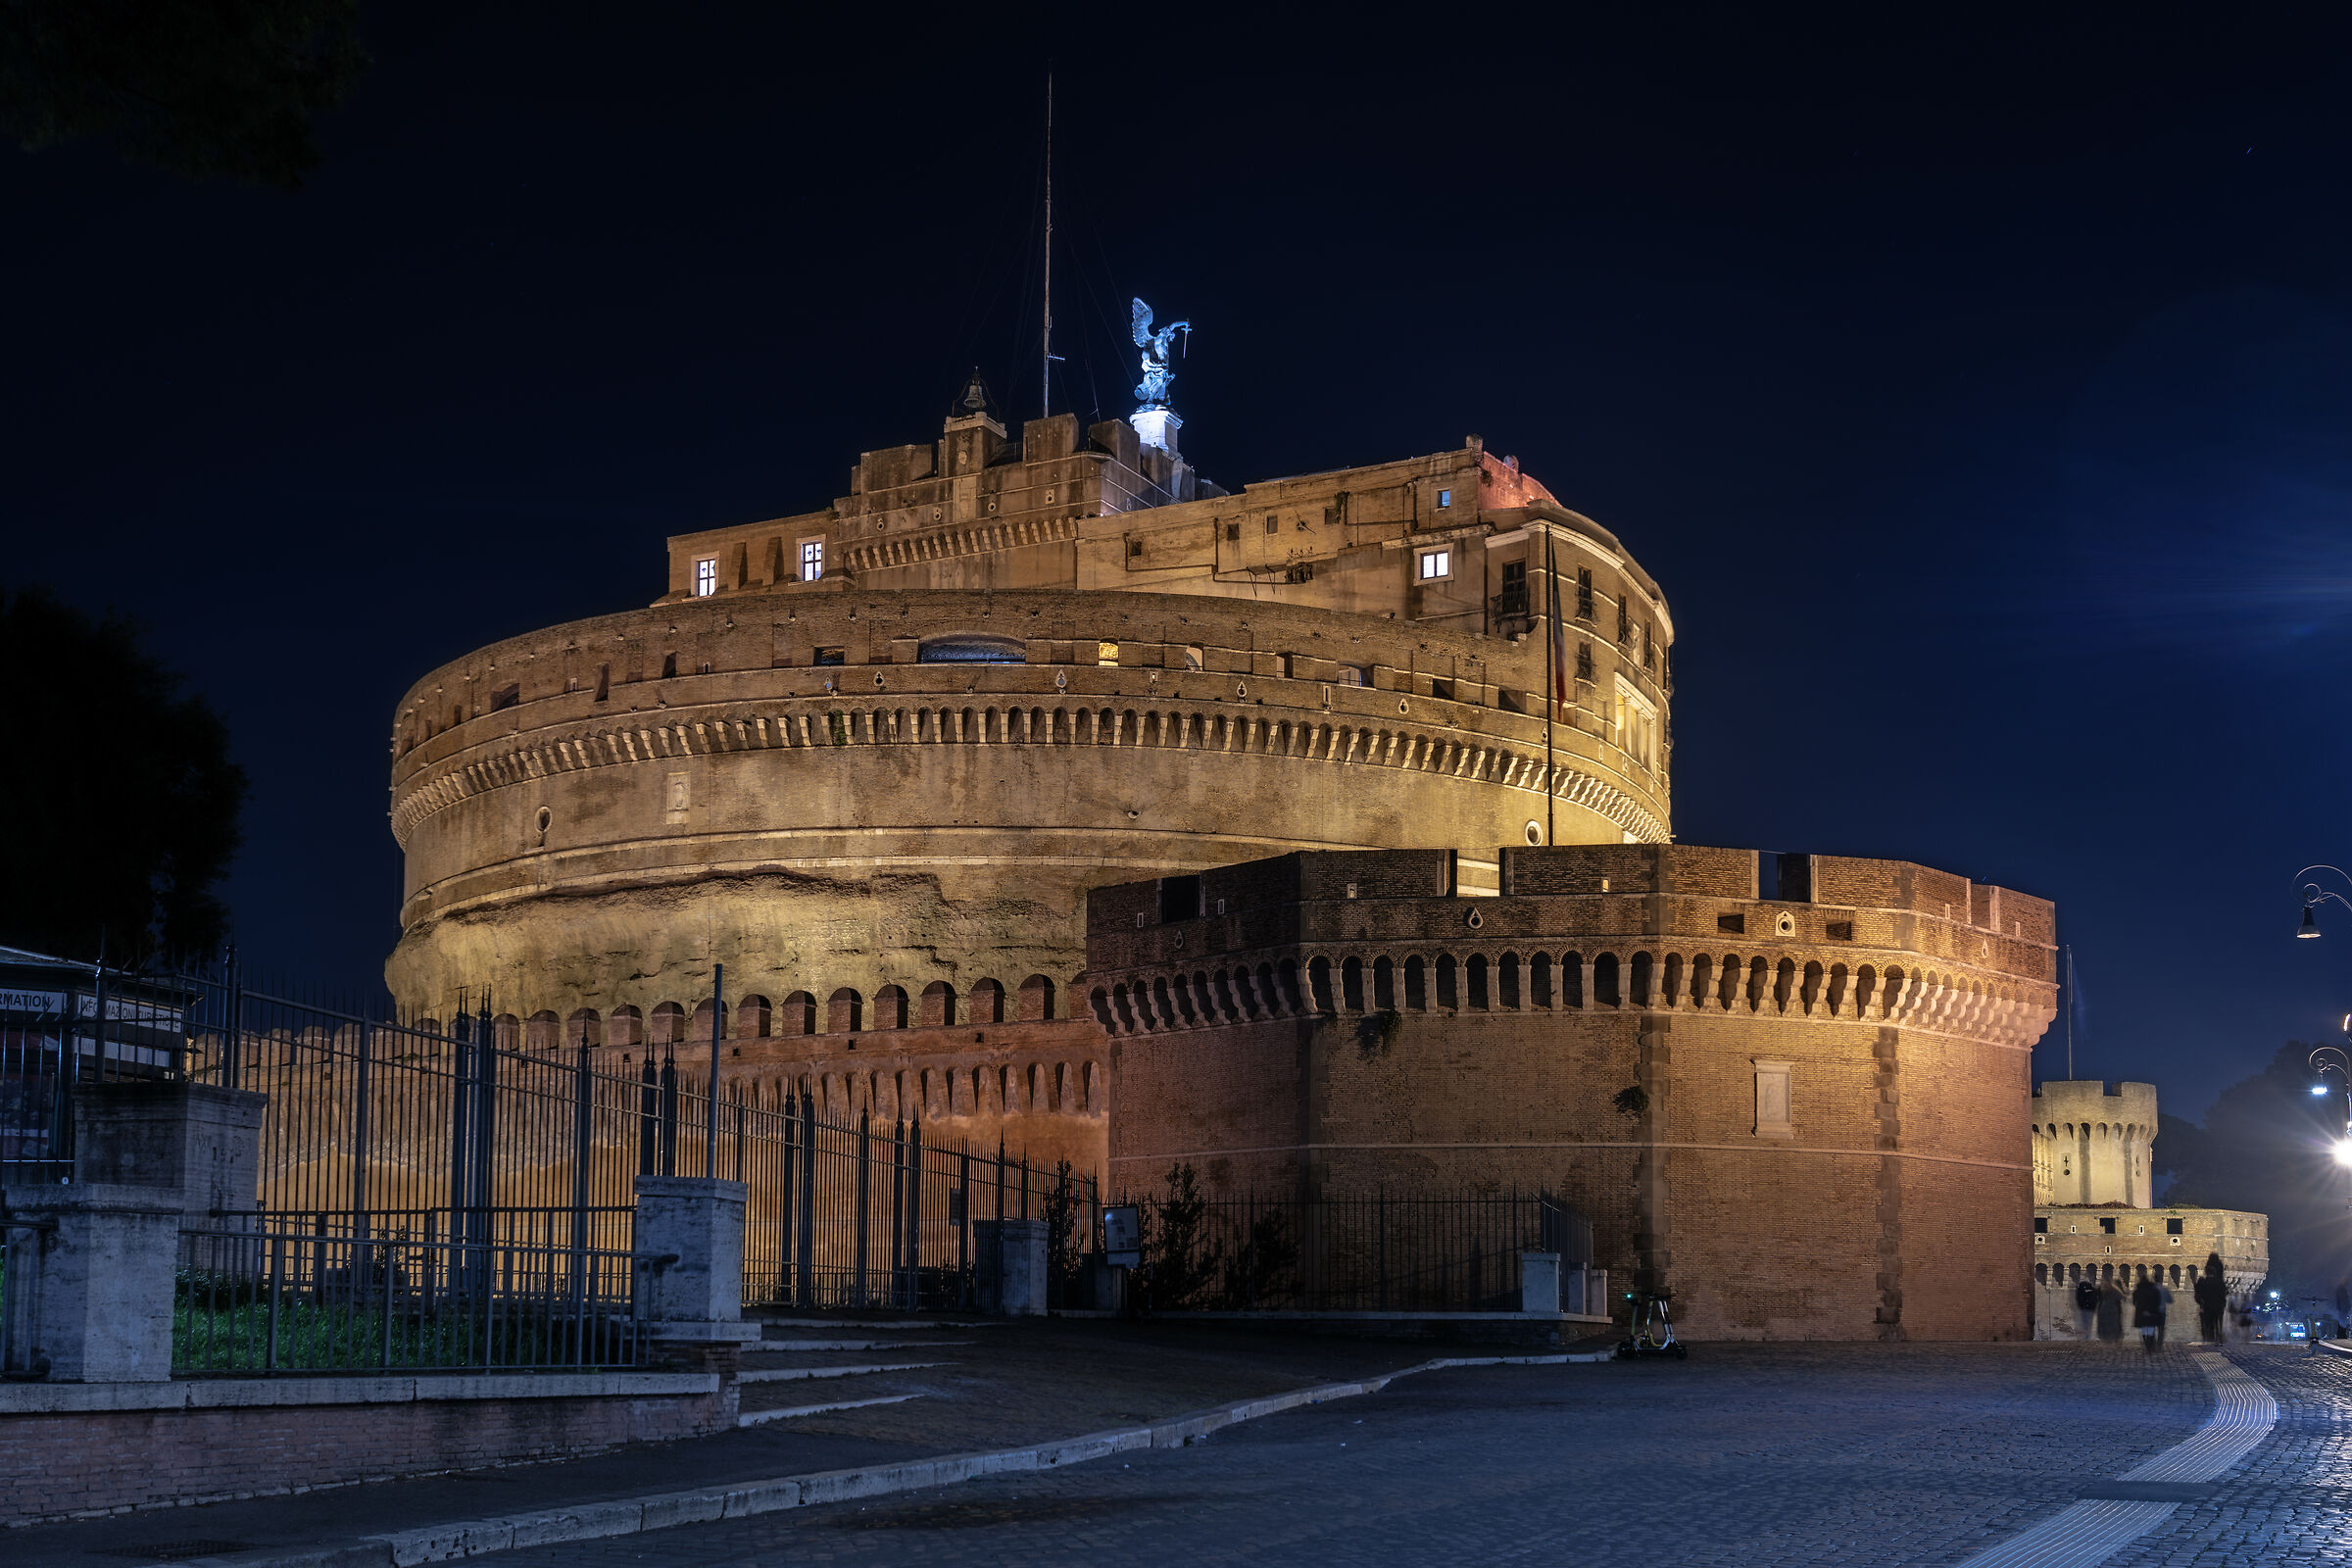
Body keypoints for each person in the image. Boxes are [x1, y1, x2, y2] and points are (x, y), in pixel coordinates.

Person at [2193, 1254, 2228, 1343]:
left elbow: (2199, 1294)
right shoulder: (2220, 1282)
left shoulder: (2204, 1282)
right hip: (2219, 1305)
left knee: (2207, 1322)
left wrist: (2201, 1303)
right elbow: (2224, 1293)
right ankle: (2219, 1335)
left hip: (2207, 1305)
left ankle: (2209, 1338)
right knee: (2218, 1320)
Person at [2132, 1272, 2164, 1354]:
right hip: (2152, 1312)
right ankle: (2149, 1346)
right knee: (2151, 1329)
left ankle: (2146, 1344)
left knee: (2143, 1330)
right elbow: (2158, 1301)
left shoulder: (2137, 1291)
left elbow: (2134, 1302)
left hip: (2141, 1313)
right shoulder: (2154, 1290)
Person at [2075, 1275, 2101, 1341]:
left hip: (2087, 1309)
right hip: (2087, 1309)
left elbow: (2079, 1299)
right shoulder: (2088, 1290)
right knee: (2087, 1323)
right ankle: (2086, 1337)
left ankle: (2086, 1337)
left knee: (2086, 1323)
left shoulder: (2083, 1290)